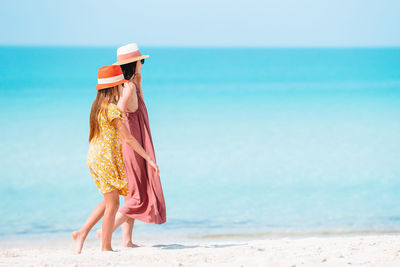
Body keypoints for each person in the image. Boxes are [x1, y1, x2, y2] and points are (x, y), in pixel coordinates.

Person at [72, 65, 159, 254]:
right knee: (114, 204)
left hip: (95, 157)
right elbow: (128, 138)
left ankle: (82, 233)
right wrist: (148, 158)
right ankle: (106, 246)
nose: (122, 87)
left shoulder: (96, 108)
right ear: (114, 88)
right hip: (106, 160)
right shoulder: (112, 110)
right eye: (120, 85)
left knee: (109, 200)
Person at [96, 43, 166, 248]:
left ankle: (127, 240)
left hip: (132, 142)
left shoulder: (127, 85)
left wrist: (139, 84)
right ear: (134, 63)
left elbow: (139, 108)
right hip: (133, 145)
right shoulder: (129, 88)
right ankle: (104, 231)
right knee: (137, 195)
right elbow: (120, 112)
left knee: (133, 191)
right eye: (141, 62)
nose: (142, 65)